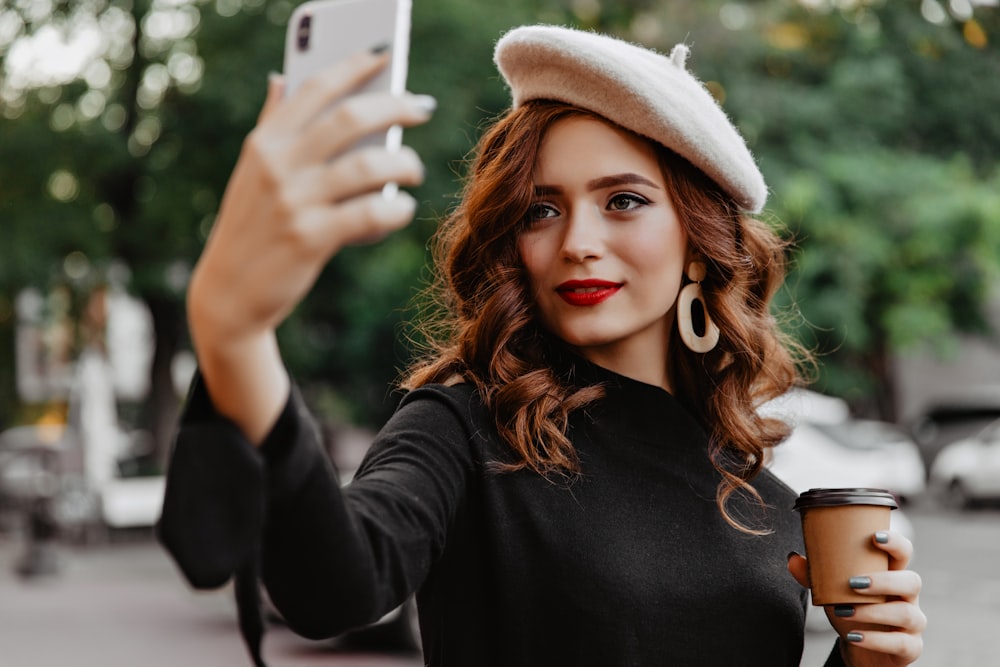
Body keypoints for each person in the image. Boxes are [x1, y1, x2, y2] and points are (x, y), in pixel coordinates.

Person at [158, 24, 926, 667]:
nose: (579, 242)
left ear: (698, 241)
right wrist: (237, 337)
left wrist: (863, 660)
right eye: (540, 210)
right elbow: (334, 587)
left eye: (622, 200)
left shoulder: (772, 504)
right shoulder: (464, 427)